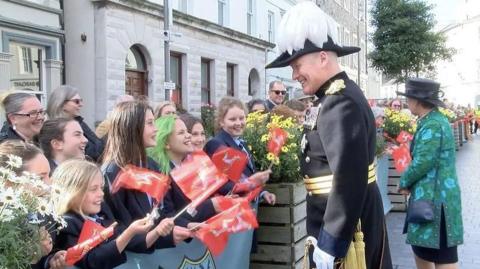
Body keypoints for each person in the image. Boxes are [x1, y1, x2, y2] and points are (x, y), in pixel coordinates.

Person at [265, 2, 392, 268]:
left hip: (347, 228)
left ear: (323, 57)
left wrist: (332, 242)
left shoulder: (339, 102)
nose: (295, 74)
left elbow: (348, 179)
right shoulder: (332, 97)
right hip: (339, 219)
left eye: (298, 65)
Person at [101, 101, 191, 247]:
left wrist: (188, 226)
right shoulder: (112, 173)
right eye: (150, 123)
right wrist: (162, 237)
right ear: (132, 128)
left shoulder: (151, 165)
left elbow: (159, 214)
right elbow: (118, 230)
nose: (156, 129)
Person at [52, 159, 171, 269]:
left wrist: (157, 231)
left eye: (101, 188)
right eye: (94, 189)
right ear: (72, 193)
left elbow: (132, 242)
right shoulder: (68, 224)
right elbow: (93, 261)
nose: (101, 194)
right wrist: (129, 233)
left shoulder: (102, 216)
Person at [397, 78, 463, 269]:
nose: (407, 102)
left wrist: (403, 182)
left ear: (418, 100)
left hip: (435, 201)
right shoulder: (432, 120)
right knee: (426, 251)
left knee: (443, 256)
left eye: (409, 98)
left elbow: (422, 163)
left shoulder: (433, 124)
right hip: (433, 198)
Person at [47, 85, 104, 161]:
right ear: (62, 104)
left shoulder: (79, 122)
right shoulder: (54, 128)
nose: (81, 104)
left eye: (81, 100)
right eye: (76, 101)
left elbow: (99, 144)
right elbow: (92, 151)